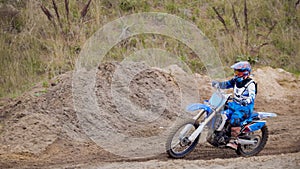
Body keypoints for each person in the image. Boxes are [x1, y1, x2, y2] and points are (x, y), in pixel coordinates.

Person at [212, 61, 256, 150]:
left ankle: (234, 140)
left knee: (235, 117)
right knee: (221, 112)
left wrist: (246, 101)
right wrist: (218, 84)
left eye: (238, 72)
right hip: (235, 104)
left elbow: (252, 96)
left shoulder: (251, 84)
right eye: (235, 71)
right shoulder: (235, 80)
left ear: (245, 72)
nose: (236, 74)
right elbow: (226, 84)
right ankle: (220, 132)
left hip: (245, 108)